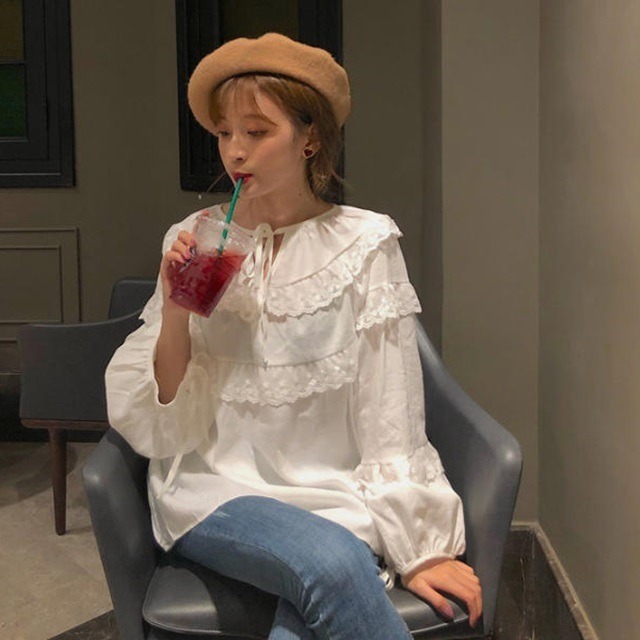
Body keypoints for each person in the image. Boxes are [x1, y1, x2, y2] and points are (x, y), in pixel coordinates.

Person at [105, 33, 482, 639]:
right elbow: (169, 410)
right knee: (331, 565)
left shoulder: (365, 244)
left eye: (257, 131)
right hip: (214, 490)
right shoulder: (195, 235)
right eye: (224, 133)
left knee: (316, 595)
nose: (235, 151)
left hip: (337, 494)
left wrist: (419, 544)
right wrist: (175, 310)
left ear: (310, 138)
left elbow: (390, 401)